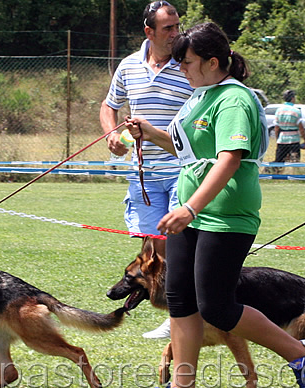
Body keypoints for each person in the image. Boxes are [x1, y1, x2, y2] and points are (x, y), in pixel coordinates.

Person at [124, 22, 305, 388]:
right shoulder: (201, 95)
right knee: (180, 299)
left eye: (188, 62)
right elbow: (194, 150)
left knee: (216, 306)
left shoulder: (234, 99)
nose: (182, 68)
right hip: (189, 211)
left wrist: (190, 207)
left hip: (224, 214)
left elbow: (230, 158)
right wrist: (150, 132)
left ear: (213, 62)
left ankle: (300, 353)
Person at [100, 1, 193, 340]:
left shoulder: (189, 65)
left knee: (175, 245)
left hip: (182, 168)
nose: (176, 33)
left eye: (177, 26)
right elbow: (109, 105)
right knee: (151, 249)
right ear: (149, 32)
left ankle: (178, 316)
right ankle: (170, 309)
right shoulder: (128, 66)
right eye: (168, 28)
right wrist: (112, 134)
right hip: (143, 173)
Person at [274, 90, 305, 163]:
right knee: (295, 161)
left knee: (279, 161)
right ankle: (295, 173)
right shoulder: (296, 111)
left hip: (282, 140)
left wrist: (277, 138)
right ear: (292, 98)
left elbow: (276, 127)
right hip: (294, 140)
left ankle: (274, 173)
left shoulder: (279, 110)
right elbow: (301, 127)